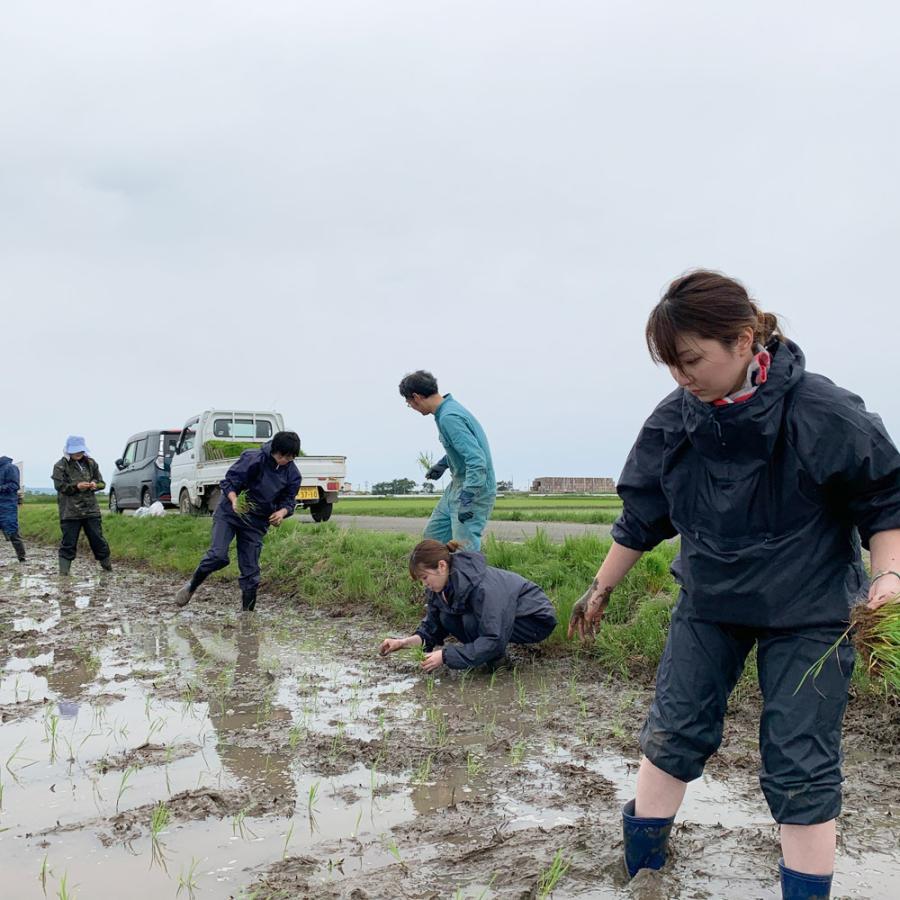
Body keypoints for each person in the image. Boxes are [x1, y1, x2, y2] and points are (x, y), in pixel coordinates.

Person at [567, 271, 900, 899]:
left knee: (800, 763)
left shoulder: (823, 414)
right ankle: (643, 876)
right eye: (670, 365)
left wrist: (888, 576)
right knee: (673, 730)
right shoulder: (675, 422)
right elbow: (643, 514)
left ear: (745, 340)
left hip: (810, 611)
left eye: (691, 359)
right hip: (710, 602)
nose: (682, 377)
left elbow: (886, 502)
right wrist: (600, 586)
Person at [380, 539, 558, 672]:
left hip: (534, 619)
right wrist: (402, 643)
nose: (424, 584)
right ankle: (481, 656)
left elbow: (493, 638)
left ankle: (499, 662)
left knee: (469, 621)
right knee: (447, 617)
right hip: (506, 617)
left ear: (441, 566)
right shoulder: (439, 588)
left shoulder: (481, 587)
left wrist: (445, 656)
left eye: (425, 578)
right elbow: (432, 629)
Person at [174, 431, 302, 612]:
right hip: (229, 513)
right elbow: (229, 482)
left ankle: (247, 617)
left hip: (256, 522)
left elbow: (289, 500)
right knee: (218, 556)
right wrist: (234, 501)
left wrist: (281, 513)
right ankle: (191, 586)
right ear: (274, 450)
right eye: (282, 456)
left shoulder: (293, 474)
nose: (284, 460)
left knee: (251, 573)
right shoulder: (253, 459)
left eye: (290, 458)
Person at [399, 370, 496, 550]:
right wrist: (443, 464)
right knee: (433, 539)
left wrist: (468, 497)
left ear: (416, 397)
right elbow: (463, 448)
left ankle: (468, 577)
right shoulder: (445, 411)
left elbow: (477, 459)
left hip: (474, 488)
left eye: (408, 403)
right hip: (457, 485)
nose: (411, 407)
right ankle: (443, 577)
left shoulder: (449, 417)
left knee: (463, 548)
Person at [52, 436, 111, 575]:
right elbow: (60, 486)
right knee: (68, 543)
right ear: (68, 450)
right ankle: (64, 575)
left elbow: (102, 483)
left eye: (81, 451)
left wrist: (95, 485)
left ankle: (108, 568)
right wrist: (77, 486)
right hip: (70, 512)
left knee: (98, 540)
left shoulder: (91, 463)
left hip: (91, 510)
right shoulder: (60, 466)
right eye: (75, 451)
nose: (78, 453)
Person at [0, 455, 26, 563]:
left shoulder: (10, 468)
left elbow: (14, 485)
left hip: (7, 506)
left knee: (13, 532)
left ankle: (22, 558)